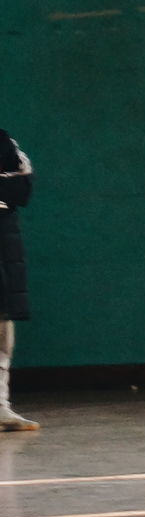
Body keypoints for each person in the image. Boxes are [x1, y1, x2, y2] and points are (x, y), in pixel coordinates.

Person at [0, 130, 37, 432]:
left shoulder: (4, 141)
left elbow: (21, 187)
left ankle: (1, 406)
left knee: (3, 324)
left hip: (4, 246)